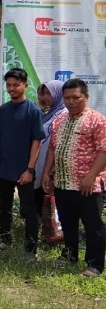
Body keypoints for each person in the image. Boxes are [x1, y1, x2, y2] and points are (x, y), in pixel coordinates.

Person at [41, 79, 106, 277]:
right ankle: (69, 254)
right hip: (63, 182)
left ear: (86, 97)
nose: (71, 101)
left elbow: (103, 151)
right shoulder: (60, 120)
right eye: (67, 98)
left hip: (88, 185)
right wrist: (46, 172)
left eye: (76, 98)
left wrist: (91, 176)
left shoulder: (98, 120)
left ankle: (94, 264)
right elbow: (52, 148)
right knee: (68, 222)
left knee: (92, 225)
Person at [0, 68, 45, 261]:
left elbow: (37, 142)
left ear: (25, 86)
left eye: (16, 85)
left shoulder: (33, 110)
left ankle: (31, 249)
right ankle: (5, 239)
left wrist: (30, 169)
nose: (12, 88)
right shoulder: (3, 110)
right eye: (9, 85)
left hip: (23, 170)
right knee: (4, 206)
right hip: (2, 168)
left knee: (29, 210)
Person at [34, 80, 65, 213]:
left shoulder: (63, 114)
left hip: (52, 166)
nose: (45, 97)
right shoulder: (48, 113)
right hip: (41, 163)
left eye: (49, 93)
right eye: (43, 93)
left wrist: (52, 169)